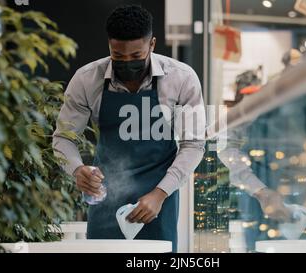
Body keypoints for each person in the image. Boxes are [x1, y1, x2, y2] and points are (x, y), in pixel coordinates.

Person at [52, 4, 205, 252]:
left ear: (152, 45)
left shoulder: (182, 78)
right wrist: (77, 169)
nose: (127, 64)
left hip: (159, 200)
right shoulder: (86, 79)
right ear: (110, 47)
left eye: (136, 56)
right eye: (118, 56)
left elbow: (194, 144)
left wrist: (160, 193)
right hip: (105, 199)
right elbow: (63, 139)